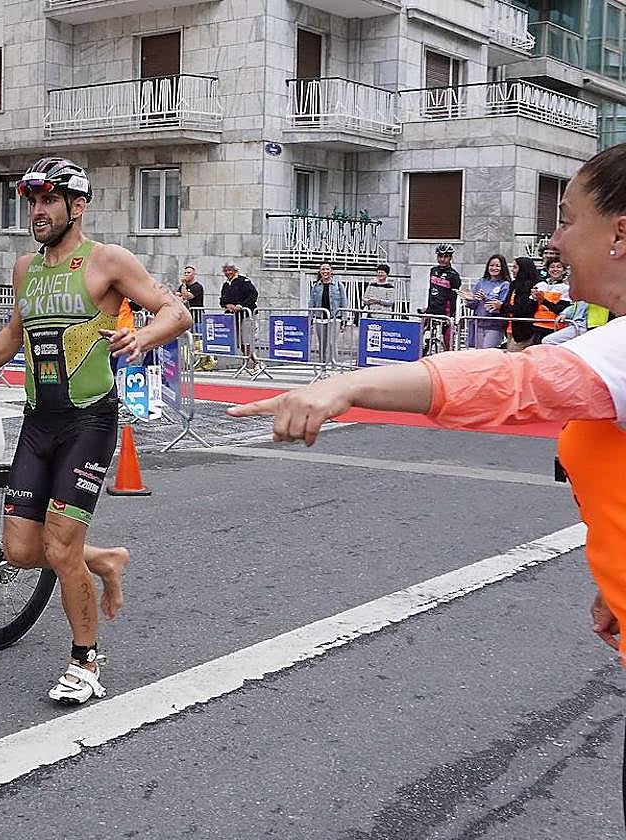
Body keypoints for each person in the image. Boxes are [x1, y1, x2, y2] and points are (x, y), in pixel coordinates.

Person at [228, 142, 626, 822]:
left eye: (567, 219)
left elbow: (507, 384)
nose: (553, 240)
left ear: (619, 233)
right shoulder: (603, 336)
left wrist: (344, 386)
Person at [0, 157, 192, 705]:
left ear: (77, 206)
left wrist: (144, 339)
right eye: (31, 201)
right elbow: (13, 332)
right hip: (37, 422)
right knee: (22, 551)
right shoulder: (26, 268)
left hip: (88, 423)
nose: (37, 211)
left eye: (48, 200)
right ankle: (107, 561)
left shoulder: (107, 262)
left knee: (60, 545)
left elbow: (176, 311)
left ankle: (85, 661)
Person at [460, 254, 511, 348]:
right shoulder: (481, 282)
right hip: (478, 323)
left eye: (497, 266)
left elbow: (501, 306)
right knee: (478, 354)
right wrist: (469, 299)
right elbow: (474, 304)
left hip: (494, 325)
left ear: (502, 268)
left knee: (488, 353)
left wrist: (485, 298)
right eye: (491, 265)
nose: (494, 268)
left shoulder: (505, 285)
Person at [419, 243, 461, 351]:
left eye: (445, 256)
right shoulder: (433, 271)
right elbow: (431, 291)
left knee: (447, 343)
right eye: (440, 256)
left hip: (445, 312)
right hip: (432, 309)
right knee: (420, 338)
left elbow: (453, 297)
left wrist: (451, 315)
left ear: (450, 258)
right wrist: (426, 307)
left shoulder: (454, 275)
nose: (442, 259)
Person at [306, 261, 348, 364]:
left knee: (331, 343)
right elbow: (312, 303)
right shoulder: (316, 286)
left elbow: (344, 302)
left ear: (331, 271)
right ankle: (322, 365)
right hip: (320, 318)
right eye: (323, 269)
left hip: (334, 318)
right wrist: (310, 319)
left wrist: (344, 320)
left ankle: (334, 365)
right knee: (322, 344)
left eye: (327, 269)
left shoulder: (338, 285)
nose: (325, 271)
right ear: (320, 272)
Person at [219, 262, 259, 364]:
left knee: (247, 340)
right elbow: (222, 300)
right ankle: (249, 361)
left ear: (235, 271)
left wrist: (241, 305)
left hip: (246, 315)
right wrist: (227, 305)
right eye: (226, 271)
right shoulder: (226, 284)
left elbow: (253, 294)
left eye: (230, 270)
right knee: (238, 341)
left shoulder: (243, 281)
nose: (228, 273)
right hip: (233, 317)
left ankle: (254, 362)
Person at [501, 257, 543, 351]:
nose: (512, 270)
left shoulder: (530, 285)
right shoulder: (514, 284)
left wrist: (501, 307)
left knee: (514, 359)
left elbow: (523, 308)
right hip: (510, 327)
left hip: (523, 330)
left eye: (515, 267)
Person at [531, 256, 573, 344]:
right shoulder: (540, 285)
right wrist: (533, 299)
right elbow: (530, 306)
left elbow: (560, 309)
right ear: (547, 269)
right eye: (552, 267)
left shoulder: (566, 288)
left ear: (564, 270)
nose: (555, 269)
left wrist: (543, 301)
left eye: (559, 267)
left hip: (554, 327)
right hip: (537, 325)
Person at [177, 265, 205, 329]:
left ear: (194, 274)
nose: (186, 274)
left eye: (188, 273)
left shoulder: (197, 287)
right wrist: (182, 295)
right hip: (186, 316)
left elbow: (186, 296)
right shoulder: (182, 286)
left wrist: (184, 284)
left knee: (197, 336)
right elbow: (177, 296)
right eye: (185, 273)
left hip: (197, 317)